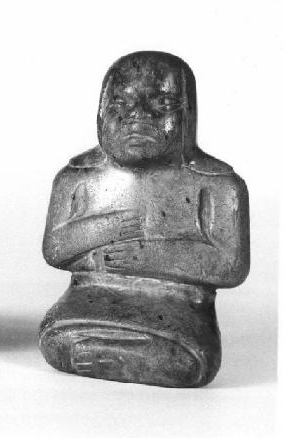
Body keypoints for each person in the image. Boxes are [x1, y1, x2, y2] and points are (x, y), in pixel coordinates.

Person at [39, 51, 249, 387]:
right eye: (121, 103)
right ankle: (133, 356)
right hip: (90, 297)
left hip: (182, 305)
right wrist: (106, 229)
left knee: (189, 357)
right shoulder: (77, 178)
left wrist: (150, 256)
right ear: (101, 112)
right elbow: (55, 250)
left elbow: (230, 266)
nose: (139, 116)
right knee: (57, 339)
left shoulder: (216, 184)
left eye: (162, 103)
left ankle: (126, 355)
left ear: (187, 114)